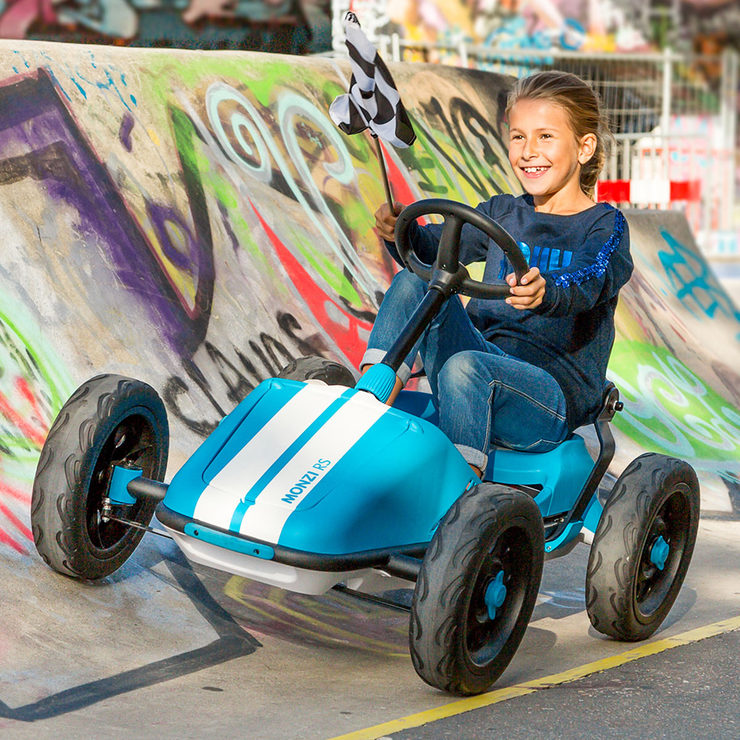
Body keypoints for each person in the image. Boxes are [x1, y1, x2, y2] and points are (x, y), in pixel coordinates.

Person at [362, 70, 633, 479]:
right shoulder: (503, 212)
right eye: (518, 137)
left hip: (547, 395)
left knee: (467, 366)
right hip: (476, 361)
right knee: (417, 282)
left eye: (545, 137)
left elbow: (591, 278)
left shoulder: (603, 226)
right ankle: (364, 410)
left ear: (584, 147)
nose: (527, 151)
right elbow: (430, 253)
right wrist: (401, 231)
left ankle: (458, 496)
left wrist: (548, 291)